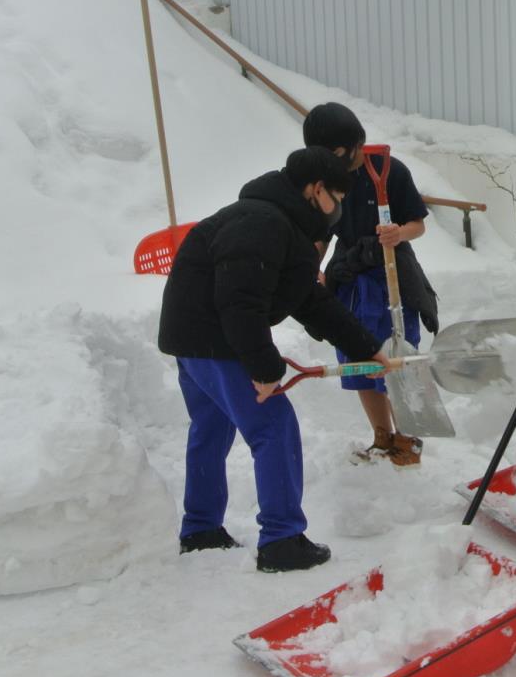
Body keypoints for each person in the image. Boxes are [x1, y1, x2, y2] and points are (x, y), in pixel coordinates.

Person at [158, 147, 387, 572]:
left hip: (192, 339)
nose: (337, 210)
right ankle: (282, 540)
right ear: (316, 189)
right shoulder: (261, 223)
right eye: (336, 197)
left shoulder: (279, 223)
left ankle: (201, 529)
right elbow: (240, 302)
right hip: (215, 338)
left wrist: (366, 347)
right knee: (274, 426)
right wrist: (263, 369)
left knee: (211, 427)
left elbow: (309, 299)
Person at [303, 102, 436, 467]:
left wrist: (397, 233)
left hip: (391, 272)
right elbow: (321, 234)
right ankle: (383, 437)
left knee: (396, 357)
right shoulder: (325, 180)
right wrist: (311, 265)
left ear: (354, 144)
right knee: (359, 362)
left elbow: (418, 224)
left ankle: (408, 439)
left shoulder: (390, 171)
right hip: (349, 277)